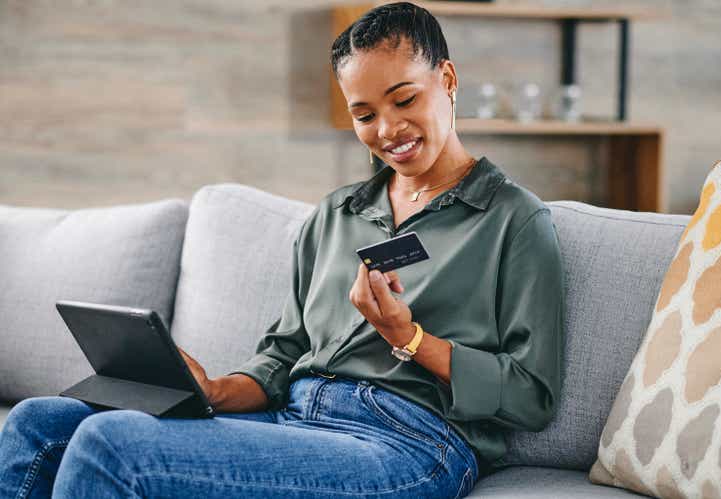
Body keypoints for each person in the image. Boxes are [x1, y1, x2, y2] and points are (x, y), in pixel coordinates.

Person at [0, 2, 564, 498]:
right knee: (37, 422)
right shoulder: (336, 216)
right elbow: (284, 353)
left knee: (112, 444)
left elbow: (531, 396)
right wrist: (215, 391)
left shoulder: (512, 219)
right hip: (295, 418)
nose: (388, 129)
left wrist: (408, 339)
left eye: (404, 99)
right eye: (364, 115)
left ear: (447, 78)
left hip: (409, 443)